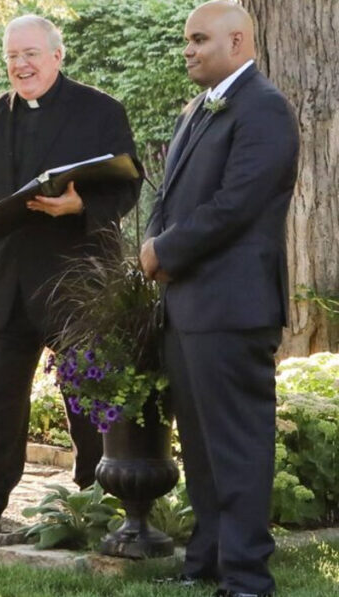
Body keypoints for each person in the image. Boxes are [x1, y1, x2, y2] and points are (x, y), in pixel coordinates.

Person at [0, 14, 140, 540]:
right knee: (1, 397)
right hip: (10, 281)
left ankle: (98, 497)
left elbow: (128, 186)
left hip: (75, 277)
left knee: (85, 391)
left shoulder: (101, 110)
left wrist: (81, 206)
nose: (20, 64)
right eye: (12, 56)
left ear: (58, 56)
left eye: (30, 53)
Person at [142, 2, 298, 596]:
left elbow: (238, 205)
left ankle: (247, 576)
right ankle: (205, 560)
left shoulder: (264, 109)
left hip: (233, 309)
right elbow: (173, 197)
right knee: (202, 449)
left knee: (236, 446)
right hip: (189, 308)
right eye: (187, 40)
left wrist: (165, 250)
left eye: (199, 40)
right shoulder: (197, 110)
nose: (188, 49)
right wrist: (155, 241)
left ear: (238, 41)